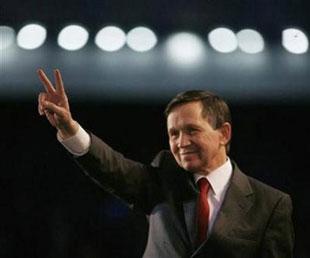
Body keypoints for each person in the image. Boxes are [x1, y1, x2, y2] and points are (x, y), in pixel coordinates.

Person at [37, 68, 294, 258]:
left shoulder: (270, 204)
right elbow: (113, 168)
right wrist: (69, 128)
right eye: (174, 133)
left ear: (224, 133)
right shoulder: (164, 176)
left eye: (192, 130)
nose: (181, 142)